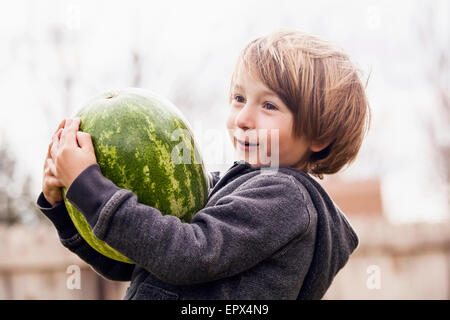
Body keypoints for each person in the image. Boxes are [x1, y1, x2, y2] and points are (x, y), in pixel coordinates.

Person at [37, 29, 371, 300]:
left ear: (320, 136)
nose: (242, 118)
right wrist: (66, 209)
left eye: (268, 105)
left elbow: (188, 254)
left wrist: (89, 186)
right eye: (239, 98)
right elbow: (140, 259)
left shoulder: (284, 198)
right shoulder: (228, 186)